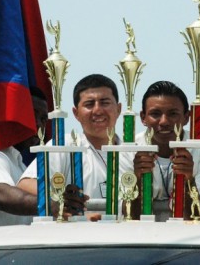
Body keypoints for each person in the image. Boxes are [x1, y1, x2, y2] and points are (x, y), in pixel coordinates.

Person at [18, 74, 122, 219]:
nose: (98, 110)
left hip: (124, 238)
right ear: (76, 113)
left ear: (119, 109)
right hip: (75, 238)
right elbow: (26, 183)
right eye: (89, 104)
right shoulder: (65, 145)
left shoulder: (131, 152)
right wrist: (61, 200)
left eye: (105, 103)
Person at [121, 81, 200, 221]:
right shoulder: (129, 151)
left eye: (173, 114)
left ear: (186, 117)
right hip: (141, 238)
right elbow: (130, 215)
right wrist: (137, 179)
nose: (164, 122)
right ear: (143, 118)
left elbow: (198, 215)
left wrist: (188, 180)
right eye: (155, 114)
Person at [0, 86, 49, 226]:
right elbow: (0, 195)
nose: (37, 124)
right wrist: (51, 206)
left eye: (43, 119)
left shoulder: (22, 165)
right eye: (31, 114)